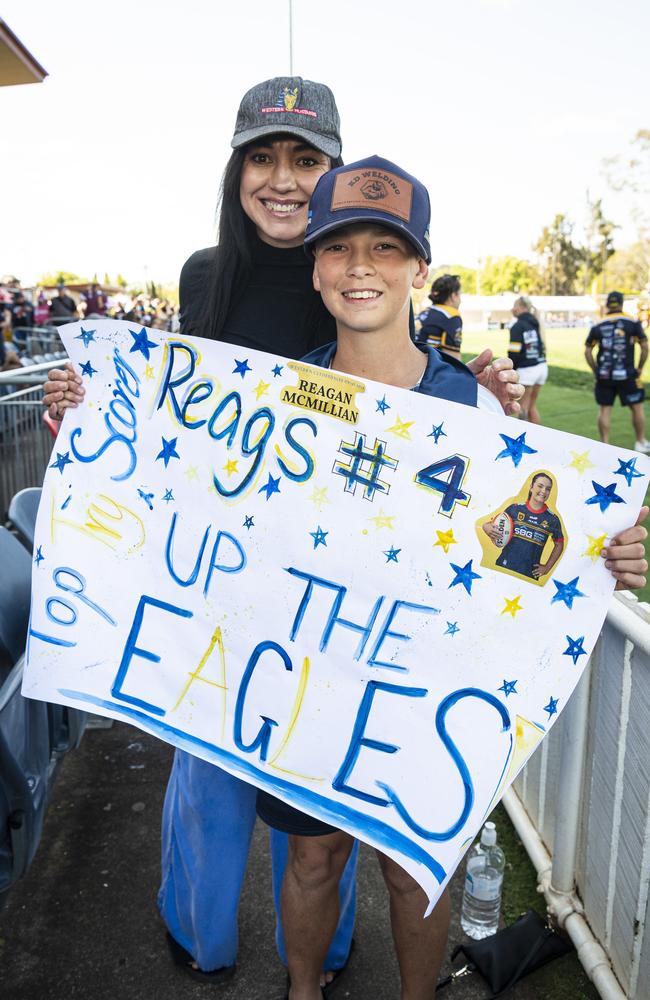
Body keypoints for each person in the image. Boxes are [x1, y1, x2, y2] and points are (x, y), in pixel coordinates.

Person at [42, 77, 523, 987]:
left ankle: (322, 961)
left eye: (307, 159)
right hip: (229, 574)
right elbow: (172, 424)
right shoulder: (203, 275)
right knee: (213, 784)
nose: (282, 178)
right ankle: (201, 938)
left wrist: (489, 409)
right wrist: (89, 410)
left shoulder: (362, 278)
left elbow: (429, 407)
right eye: (262, 155)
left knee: (315, 823)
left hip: (350, 597)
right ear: (235, 170)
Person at [254, 156, 649, 1000]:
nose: (361, 267)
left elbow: (528, 545)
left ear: (418, 270)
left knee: (409, 869)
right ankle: (301, 991)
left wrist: (599, 561)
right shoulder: (282, 394)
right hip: (312, 670)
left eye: (385, 248)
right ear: (315, 267)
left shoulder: (477, 409)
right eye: (340, 247)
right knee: (313, 857)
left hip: (426, 680)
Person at [585, 290, 650, 452]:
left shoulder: (598, 325)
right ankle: (640, 442)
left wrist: (595, 371)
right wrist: (639, 368)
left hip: (604, 376)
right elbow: (644, 347)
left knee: (604, 410)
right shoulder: (632, 323)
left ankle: (605, 445)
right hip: (628, 374)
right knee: (637, 408)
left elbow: (587, 351)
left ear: (608, 304)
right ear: (621, 303)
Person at [482, 472, 564, 581]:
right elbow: (492, 524)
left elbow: (559, 544)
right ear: (531, 487)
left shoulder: (552, 519)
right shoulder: (514, 509)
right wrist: (486, 527)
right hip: (504, 566)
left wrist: (547, 568)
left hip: (529, 574)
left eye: (548, 489)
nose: (544, 491)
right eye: (540, 486)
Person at [508, 296, 547, 423]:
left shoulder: (518, 326)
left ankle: (524, 438)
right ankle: (538, 439)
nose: (512, 309)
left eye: (515, 305)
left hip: (528, 370)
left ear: (522, 308)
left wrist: (510, 371)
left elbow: (514, 353)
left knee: (522, 408)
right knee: (531, 406)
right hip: (542, 367)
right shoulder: (534, 323)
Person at [416, 273, 463, 358]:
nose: (460, 300)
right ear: (453, 296)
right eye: (459, 295)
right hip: (428, 368)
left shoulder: (423, 313)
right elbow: (453, 358)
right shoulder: (452, 316)